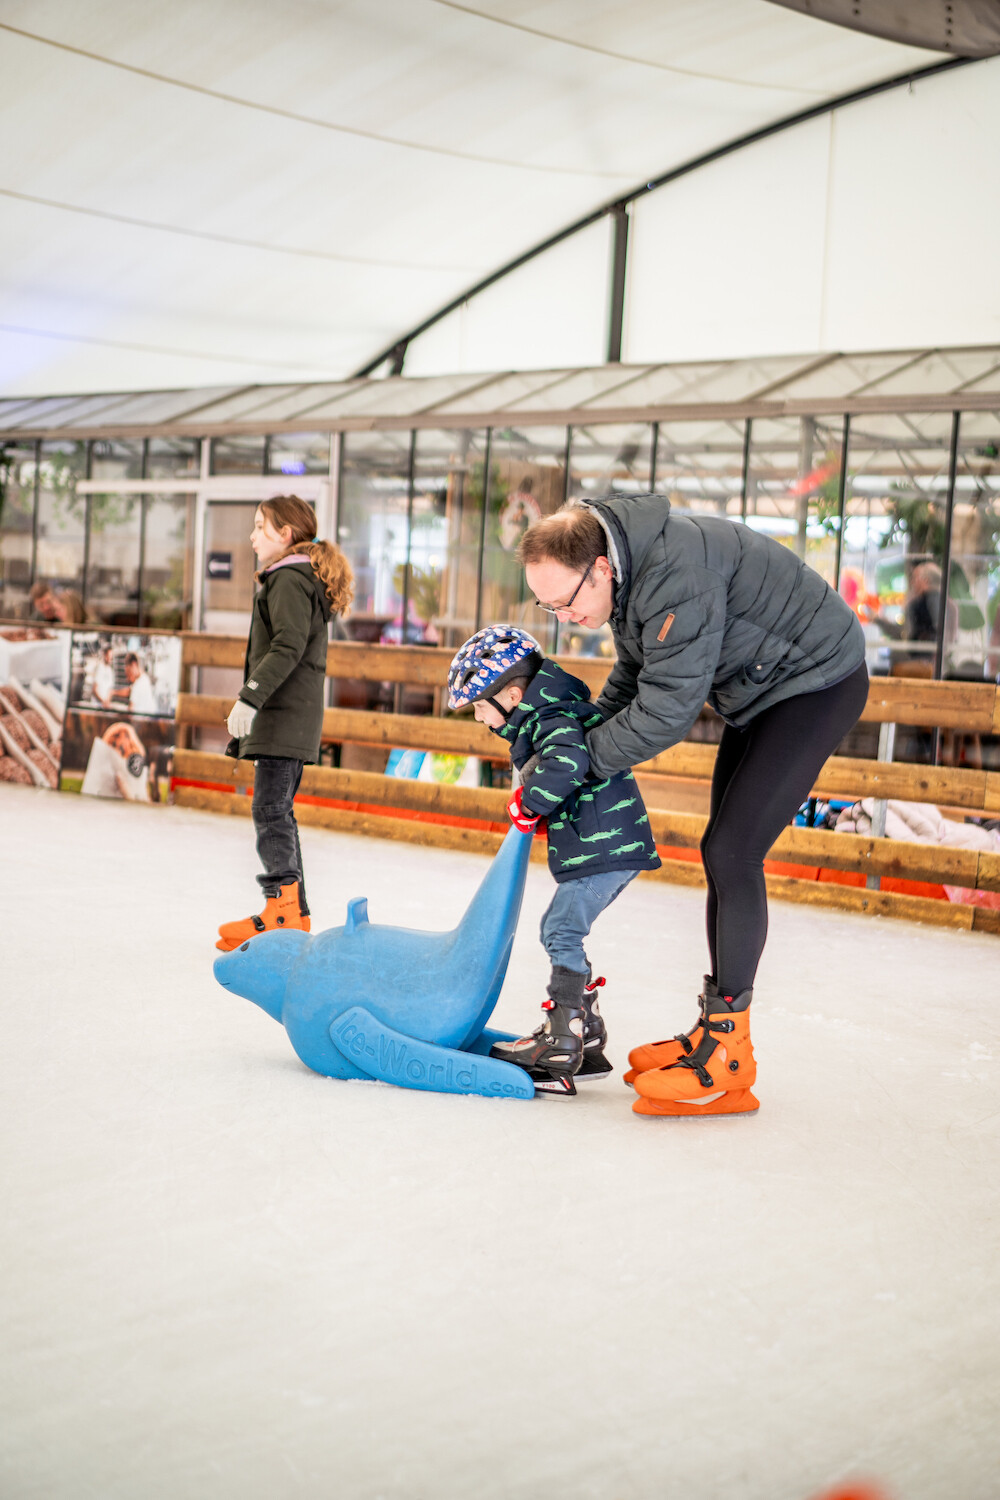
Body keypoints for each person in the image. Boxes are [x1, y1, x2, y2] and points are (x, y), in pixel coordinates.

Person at [517, 496, 868, 1118]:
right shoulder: (629, 575)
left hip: (814, 682)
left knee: (733, 853)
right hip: (761, 688)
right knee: (722, 853)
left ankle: (730, 1054)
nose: (564, 618)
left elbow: (668, 711)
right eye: (548, 608)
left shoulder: (675, 571)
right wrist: (578, 738)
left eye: (567, 601)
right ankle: (716, 1030)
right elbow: (635, 678)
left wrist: (579, 762)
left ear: (599, 568)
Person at [447, 624, 660, 1095]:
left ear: (513, 694)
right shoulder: (547, 714)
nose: (479, 718)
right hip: (605, 843)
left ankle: (563, 1039)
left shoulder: (550, 718)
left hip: (607, 845)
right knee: (561, 929)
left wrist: (529, 804)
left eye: (480, 706)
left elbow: (567, 765)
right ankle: (586, 1029)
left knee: (560, 930)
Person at [216, 496, 353, 952]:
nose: (253, 536)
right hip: (289, 716)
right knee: (278, 811)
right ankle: (292, 910)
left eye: (260, 527)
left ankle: (283, 908)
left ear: (286, 534)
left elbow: (289, 645)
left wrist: (249, 698)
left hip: (283, 715)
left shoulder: (290, 581)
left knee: (269, 810)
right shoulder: (292, 578)